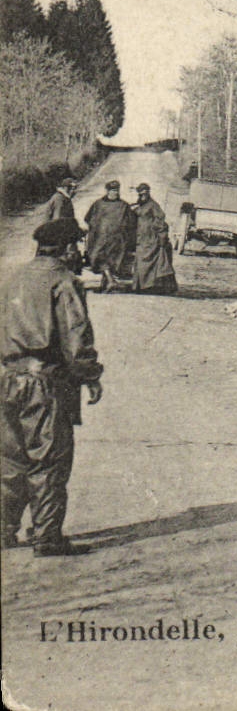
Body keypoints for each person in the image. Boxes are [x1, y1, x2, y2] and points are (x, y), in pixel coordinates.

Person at [3, 218, 105, 556]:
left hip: (7, 378)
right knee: (48, 459)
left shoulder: (14, 277)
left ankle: (4, 530)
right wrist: (89, 375)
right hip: (44, 383)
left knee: (10, 458)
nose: (77, 252)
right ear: (67, 248)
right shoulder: (64, 282)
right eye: (75, 245)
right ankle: (46, 537)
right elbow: (76, 337)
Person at [82, 181, 133, 293]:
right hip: (99, 239)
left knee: (110, 260)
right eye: (113, 190)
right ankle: (109, 282)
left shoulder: (124, 206)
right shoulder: (98, 204)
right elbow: (88, 218)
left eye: (117, 190)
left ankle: (107, 282)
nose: (115, 193)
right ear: (107, 191)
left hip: (117, 240)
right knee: (99, 258)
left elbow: (131, 223)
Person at [129, 183, 177, 295]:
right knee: (141, 262)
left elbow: (160, 219)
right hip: (141, 238)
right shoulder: (140, 206)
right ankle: (141, 286)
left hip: (150, 238)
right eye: (141, 194)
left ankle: (148, 286)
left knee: (147, 262)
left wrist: (160, 234)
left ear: (148, 193)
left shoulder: (153, 205)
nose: (143, 196)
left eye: (145, 193)